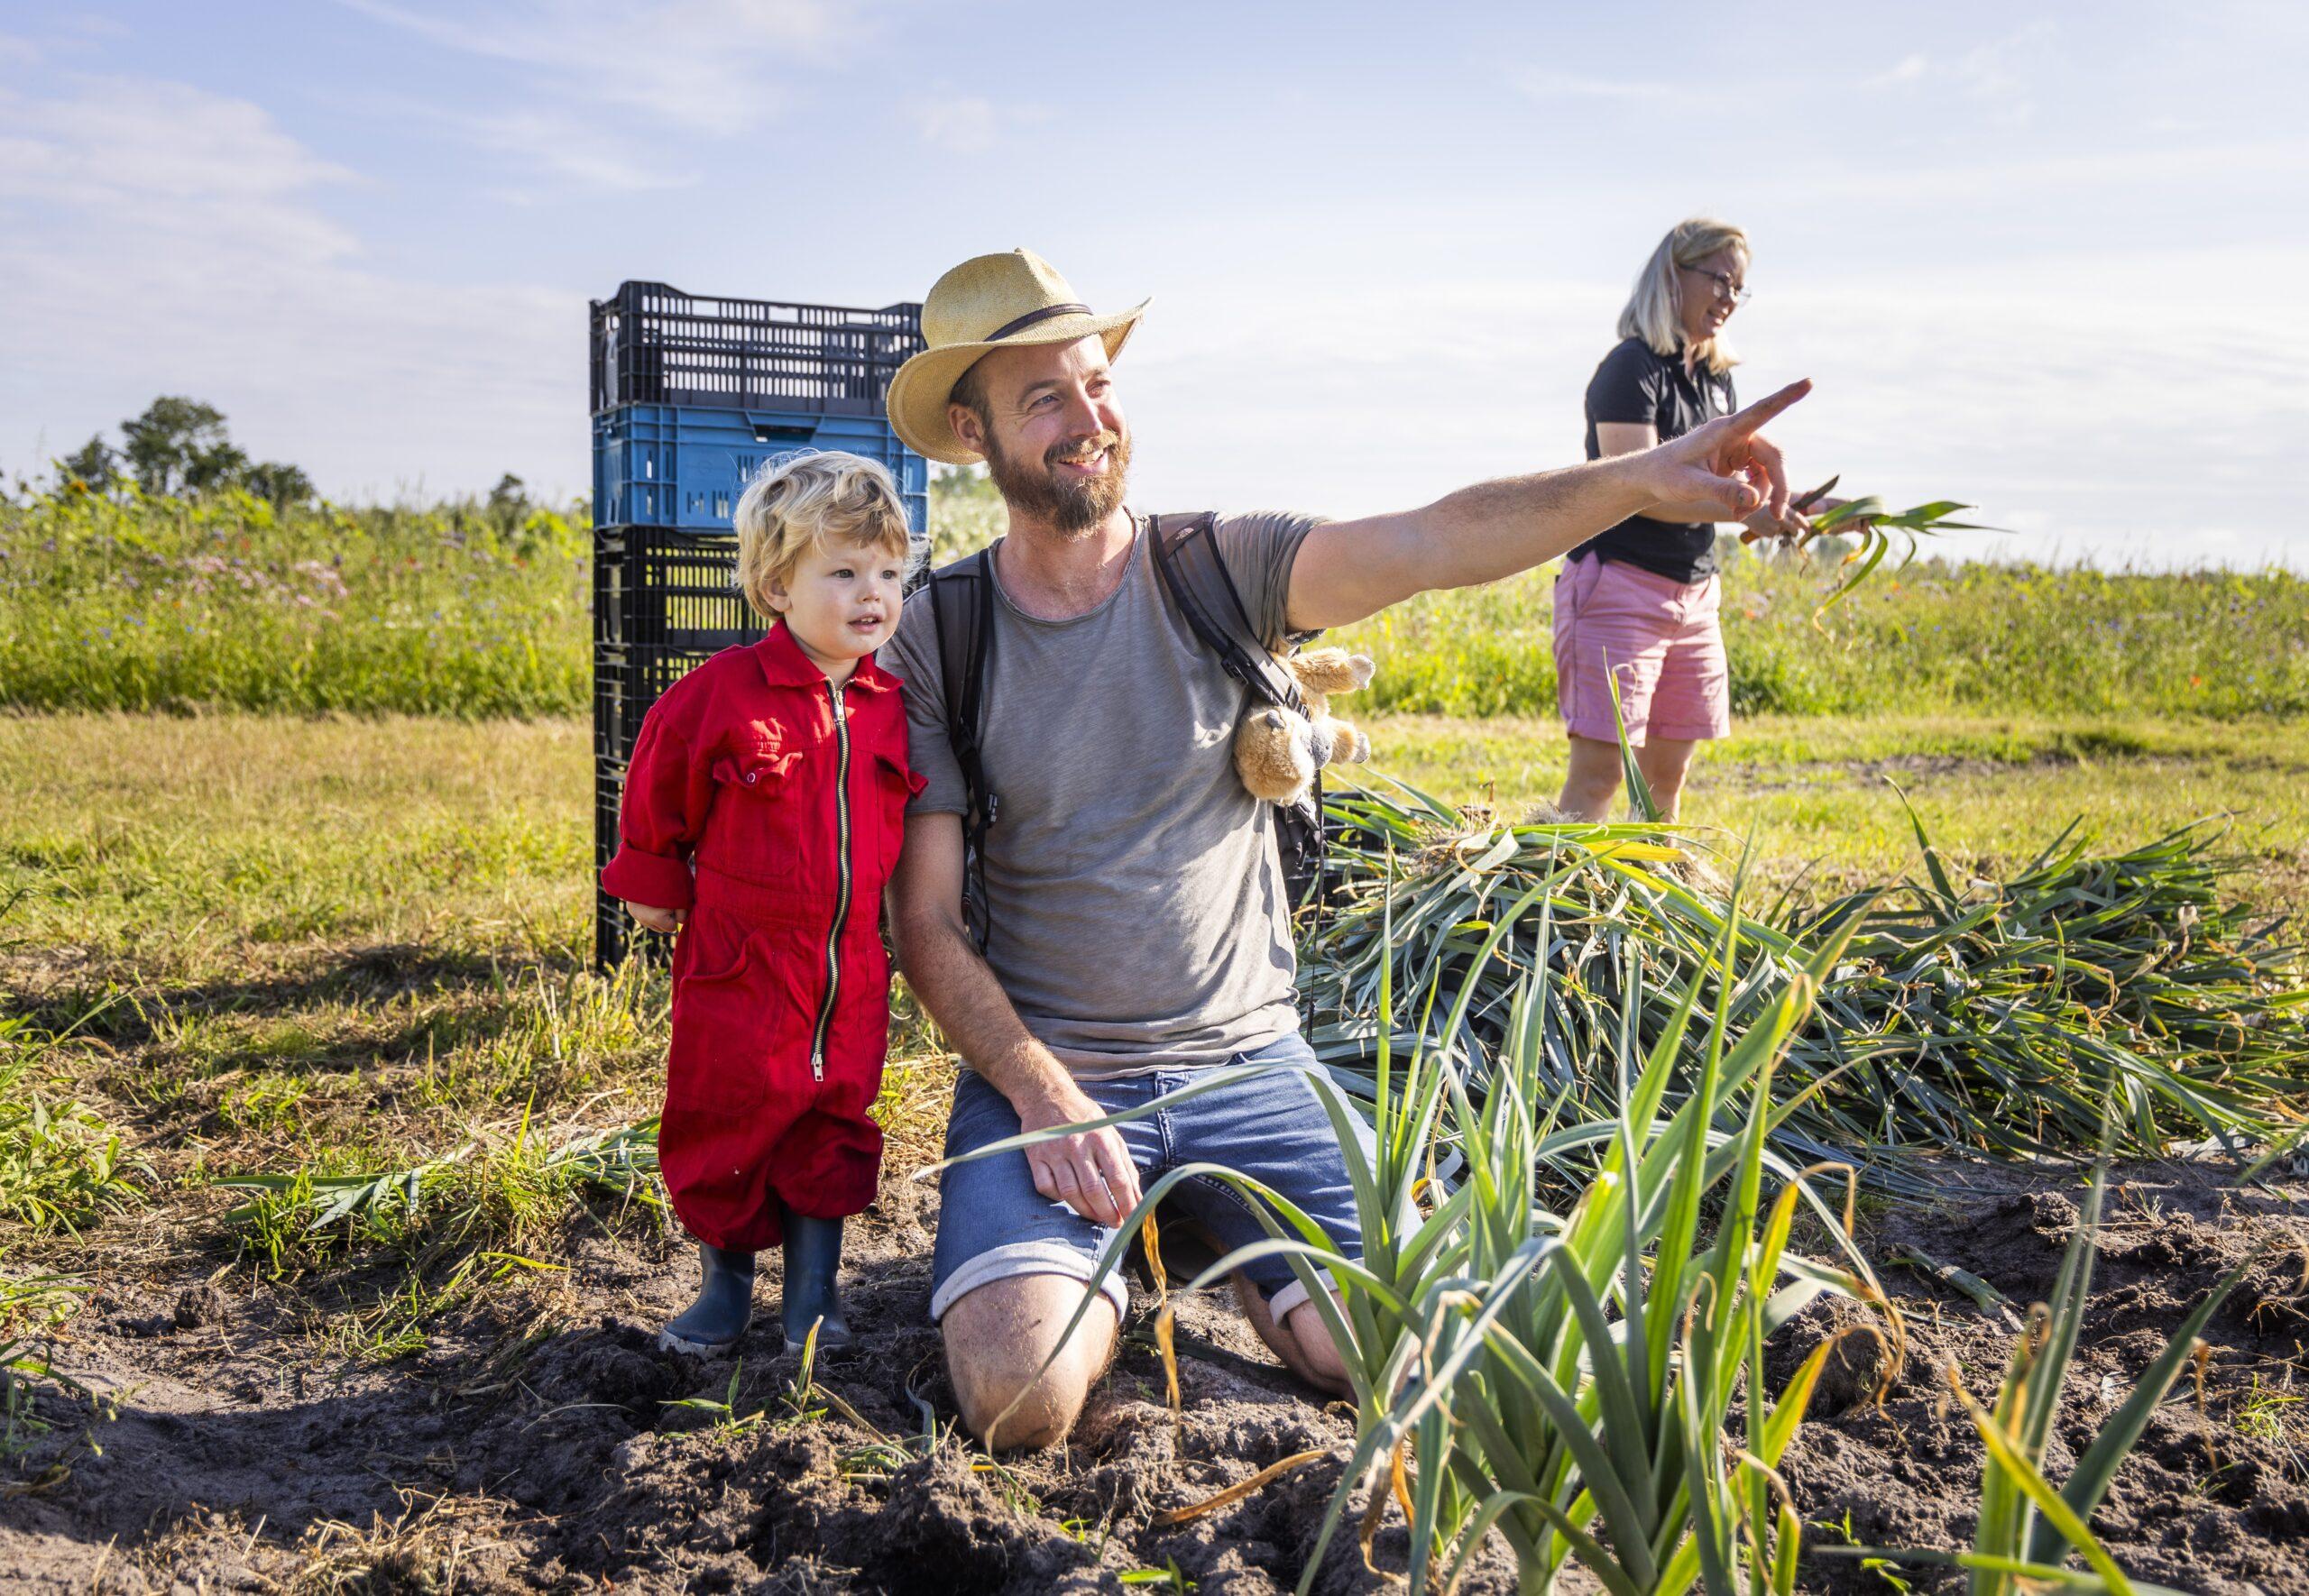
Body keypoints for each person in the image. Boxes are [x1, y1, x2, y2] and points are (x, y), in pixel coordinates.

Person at [879, 248, 1806, 1450]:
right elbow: (924, 922)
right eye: (1044, 398)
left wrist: (1637, 477)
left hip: (1249, 1066)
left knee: (1395, 1356)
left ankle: (1221, 1239)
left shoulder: (1216, 568)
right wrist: (1040, 1090)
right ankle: (1132, 1247)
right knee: (1018, 1397)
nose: (1088, 420)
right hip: (1058, 1076)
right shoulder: (941, 635)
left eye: (1098, 383)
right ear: (973, 431)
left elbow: (1431, 540)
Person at [602, 452, 923, 1356]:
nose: (873, 593)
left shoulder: (892, 707)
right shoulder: (721, 696)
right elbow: (658, 784)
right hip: (741, 960)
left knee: (836, 1116)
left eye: (888, 573)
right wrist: (654, 886)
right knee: (729, 1112)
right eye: (844, 572)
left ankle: (814, 1295)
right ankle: (726, 1286)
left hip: (848, 966)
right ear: (778, 588)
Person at [1552, 216, 1829, 822]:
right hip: (1618, 588)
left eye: (1739, 288)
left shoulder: (1716, 381)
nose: (1730, 299)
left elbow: (1728, 486)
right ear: (1674, 275)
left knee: (1667, 778)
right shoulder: (1631, 369)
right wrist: (1746, 509)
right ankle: (1567, 887)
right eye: (1720, 281)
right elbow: (1638, 491)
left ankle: (1656, 884)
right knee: (1601, 775)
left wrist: (1803, 506)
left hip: (1696, 596)